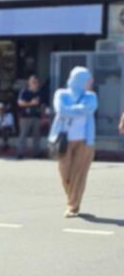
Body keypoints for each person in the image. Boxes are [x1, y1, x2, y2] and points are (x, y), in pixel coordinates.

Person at [49, 66, 98, 218]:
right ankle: (72, 197)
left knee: (79, 174)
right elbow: (61, 109)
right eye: (87, 80)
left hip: (85, 141)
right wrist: (79, 109)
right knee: (65, 173)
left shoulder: (91, 96)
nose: (90, 83)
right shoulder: (61, 93)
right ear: (79, 80)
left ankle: (72, 206)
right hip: (63, 140)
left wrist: (70, 109)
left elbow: (89, 109)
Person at [16, 75, 44, 158]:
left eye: (36, 82)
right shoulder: (25, 91)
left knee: (37, 136)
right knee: (23, 135)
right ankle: (20, 153)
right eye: (33, 82)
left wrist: (42, 110)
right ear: (29, 83)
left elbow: (43, 104)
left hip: (37, 116)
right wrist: (30, 103)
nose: (35, 84)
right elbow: (20, 103)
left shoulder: (40, 93)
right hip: (26, 116)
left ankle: (36, 153)